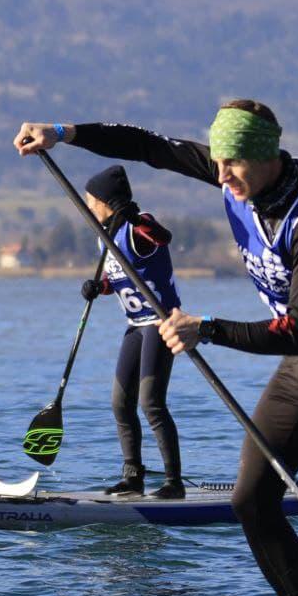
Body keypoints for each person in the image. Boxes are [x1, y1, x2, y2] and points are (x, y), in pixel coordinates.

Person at [15, 101, 298, 596]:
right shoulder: (232, 171)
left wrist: (208, 330)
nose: (222, 177)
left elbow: (295, 330)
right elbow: (146, 144)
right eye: (217, 163)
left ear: (267, 155)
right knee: (251, 498)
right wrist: (63, 134)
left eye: (234, 166)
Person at [79, 164, 184, 499]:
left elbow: (162, 237)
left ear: (107, 201)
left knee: (151, 403)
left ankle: (173, 483)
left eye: (91, 199)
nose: (88, 204)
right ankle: (133, 476)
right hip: (135, 328)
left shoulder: (138, 228)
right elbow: (121, 278)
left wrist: (135, 217)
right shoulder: (104, 235)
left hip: (160, 324)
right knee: (120, 404)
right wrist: (101, 287)